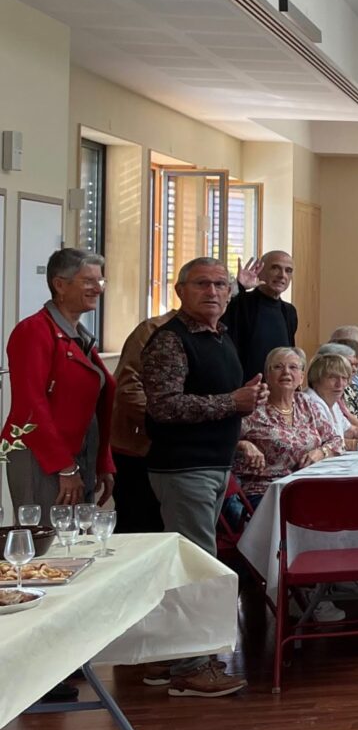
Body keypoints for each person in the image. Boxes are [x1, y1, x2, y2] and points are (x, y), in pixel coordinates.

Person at [142, 256, 264, 698]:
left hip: (211, 464)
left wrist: (246, 399)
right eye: (202, 284)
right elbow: (165, 406)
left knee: (195, 562)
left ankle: (171, 658)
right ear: (180, 291)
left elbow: (223, 398)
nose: (212, 291)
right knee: (196, 567)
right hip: (184, 467)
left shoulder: (220, 335)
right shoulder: (170, 341)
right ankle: (191, 667)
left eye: (219, 285)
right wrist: (232, 402)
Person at [5, 248, 115, 512]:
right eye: (88, 281)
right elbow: (31, 405)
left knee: (77, 543)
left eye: (100, 281)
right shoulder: (33, 331)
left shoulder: (79, 335)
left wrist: (102, 462)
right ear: (60, 285)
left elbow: (94, 404)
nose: (97, 289)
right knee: (50, 543)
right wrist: (64, 467)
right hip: (41, 456)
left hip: (79, 454)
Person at [234, 347, 341, 502]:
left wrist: (321, 452)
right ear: (267, 376)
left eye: (293, 367)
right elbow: (221, 439)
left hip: (308, 486)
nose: (286, 372)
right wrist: (243, 444)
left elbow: (336, 440)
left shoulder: (305, 403)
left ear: (301, 377)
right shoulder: (253, 407)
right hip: (266, 492)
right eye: (278, 367)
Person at [111, 308, 176, 534]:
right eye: (203, 285)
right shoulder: (153, 329)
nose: (214, 296)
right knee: (138, 528)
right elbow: (127, 388)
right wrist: (165, 424)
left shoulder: (216, 335)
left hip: (180, 453)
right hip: (140, 448)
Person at [222, 250, 297, 379]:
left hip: (278, 388)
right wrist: (238, 286)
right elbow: (219, 309)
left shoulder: (289, 311)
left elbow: (289, 353)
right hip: (245, 388)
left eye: (288, 270)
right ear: (260, 271)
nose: (282, 275)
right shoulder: (240, 302)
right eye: (275, 268)